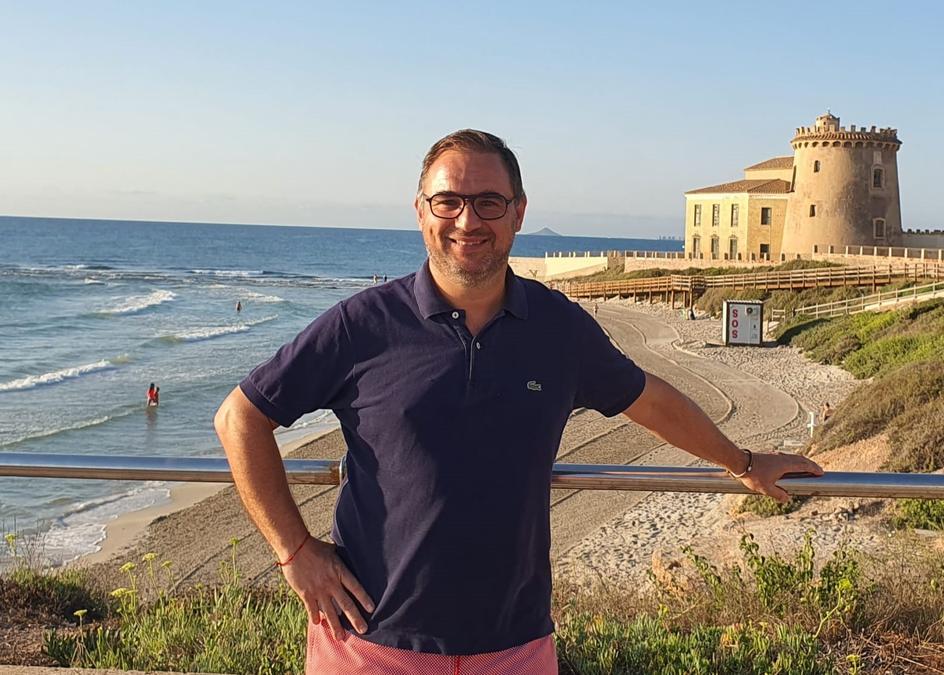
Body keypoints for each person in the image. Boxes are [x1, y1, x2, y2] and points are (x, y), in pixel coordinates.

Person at [214, 129, 823, 674]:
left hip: (514, 645)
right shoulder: (362, 324)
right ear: (421, 211)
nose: (467, 221)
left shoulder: (558, 328)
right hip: (370, 643)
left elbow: (648, 399)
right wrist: (294, 552)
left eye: (488, 202)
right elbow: (241, 417)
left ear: (518, 213)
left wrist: (741, 462)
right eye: (447, 201)